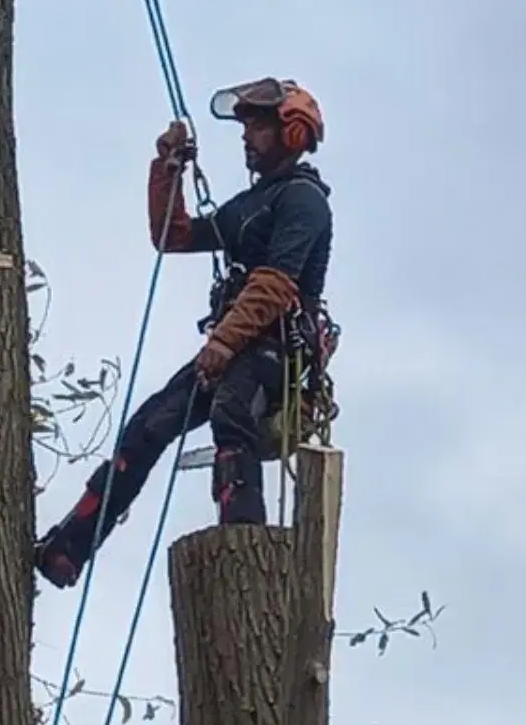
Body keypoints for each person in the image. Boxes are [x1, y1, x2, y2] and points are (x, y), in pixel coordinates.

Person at [34, 76, 333, 590]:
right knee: (149, 425)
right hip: (237, 345)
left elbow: (275, 282)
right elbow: (171, 235)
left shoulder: (304, 201)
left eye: (257, 125)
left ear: (292, 132)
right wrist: (167, 170)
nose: (246, 136)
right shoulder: (249, 206)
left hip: (275, 349)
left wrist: (222, 342)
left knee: (232, 413)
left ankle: (243, 545)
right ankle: (68, 548)